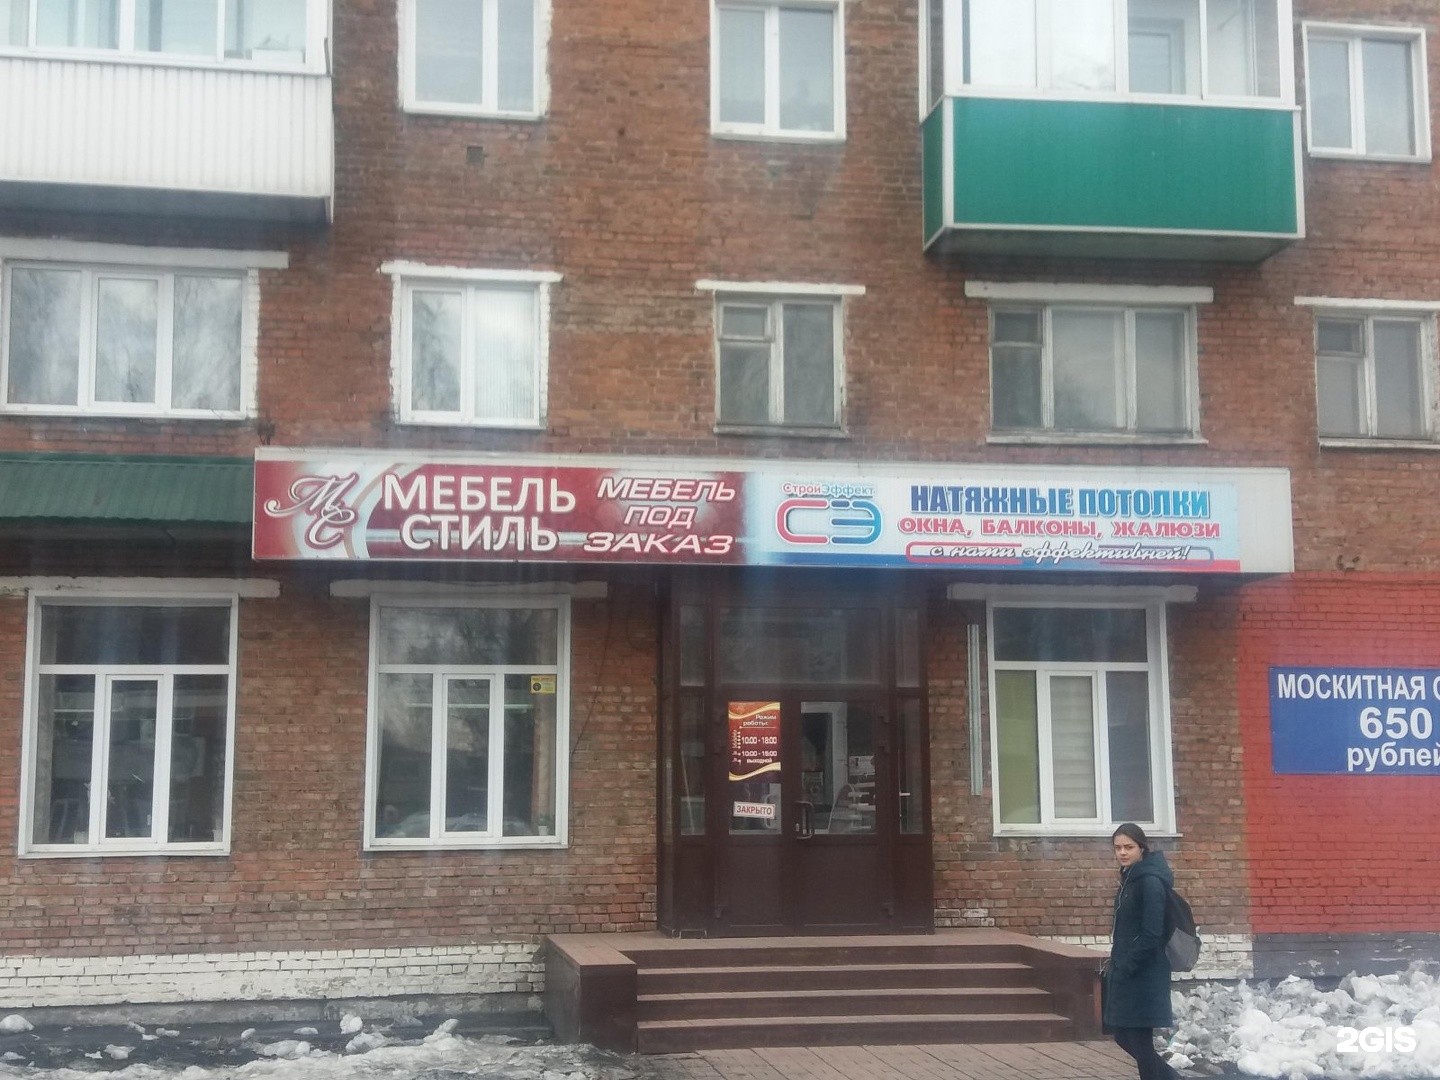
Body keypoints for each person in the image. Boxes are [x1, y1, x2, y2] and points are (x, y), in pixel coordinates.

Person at [1104, 822, 1180, 1080]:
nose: (1122, 853)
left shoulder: (1150, 882)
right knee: (1123, 1036)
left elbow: (1152, 933)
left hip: (1145, 972)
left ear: (1142, 848)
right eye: (1118, 848)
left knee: (1138, 1040)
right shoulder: (1130, 878)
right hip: (1129, 969)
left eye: (1129, 847)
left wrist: (1128, 964)